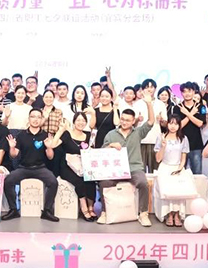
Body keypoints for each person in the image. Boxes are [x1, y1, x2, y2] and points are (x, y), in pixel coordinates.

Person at [97, 90, 156, 227]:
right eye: (122, 119)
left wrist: (149, 104)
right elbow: (102, 152)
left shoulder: (138, 133)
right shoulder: (111, 134)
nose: (124, 122)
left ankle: (143, 213)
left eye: (127, 120)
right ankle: (104, 212)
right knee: (104, 183)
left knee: (143, 183)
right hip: (115, 170)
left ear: (133, 121)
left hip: (134, 168)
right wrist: (111, 145)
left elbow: (151, 122)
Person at [1, 109, 60, 222]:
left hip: (40, 168)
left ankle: (47, 211)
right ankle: (13, 210)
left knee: (53, 182)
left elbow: (50, 157)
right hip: (23, 168)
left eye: (38, 117)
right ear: (29, 119)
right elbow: (14, 155)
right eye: (33, 116)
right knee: (8, 181)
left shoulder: (46, 135)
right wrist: (12, 147)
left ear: (41, 119)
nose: (35, 119)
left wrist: (49, 147)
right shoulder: (21, 135)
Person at [52, 113, 97, 220]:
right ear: (74, 122)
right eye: (78, 120)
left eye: (83, 121)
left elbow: (93, 150)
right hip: (67, 166)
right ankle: (84, 207)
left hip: (83, 165)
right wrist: (60, 131)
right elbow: (53, 145)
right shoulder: (67, 134)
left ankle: (91, 207)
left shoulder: (89, 135)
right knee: (79, 181)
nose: (81, 123)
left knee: (91, 180)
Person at [155, 115, 190, 227]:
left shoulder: (183, 139)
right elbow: (158, 159)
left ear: (179, 125)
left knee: (178, 193)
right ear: (167, 124)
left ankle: (177, 214)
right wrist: (163, 146)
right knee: (167, 192)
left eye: (176, 124)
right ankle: (169, 215)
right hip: (165, 167)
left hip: (178, 167)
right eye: (171, 123)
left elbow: (183, 158)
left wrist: (179, 169)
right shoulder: (161, 137)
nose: (173, 126)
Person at [176, 82, 205, 174]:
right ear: (181, 93)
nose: (187, 94)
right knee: (180, 172)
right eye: (184, 91)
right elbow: (178, 126)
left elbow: (200, 124)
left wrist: (188, 114)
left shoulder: (200, 107)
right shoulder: (177, 107)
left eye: (189, 91)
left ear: (193, 92)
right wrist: (191, 114)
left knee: (197, 172)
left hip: (196, 144)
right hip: (180, 143)